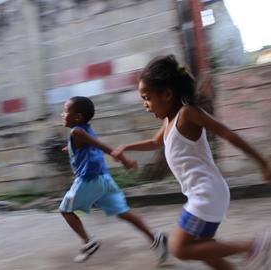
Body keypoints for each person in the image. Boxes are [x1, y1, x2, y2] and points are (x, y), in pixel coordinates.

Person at [112, 55, 271, 270]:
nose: (145, 105)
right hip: (204, 193)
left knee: (180, 248)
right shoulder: (170, 121)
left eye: (147, 97)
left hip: (206, 193)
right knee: (202, 249)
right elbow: (154, 142)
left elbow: (227, 133)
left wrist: (262, 162)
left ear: (167, 94)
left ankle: (254, 246)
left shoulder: (187, 114)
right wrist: (125, 148)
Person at [59, 96, 168, 263]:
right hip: (104, 179)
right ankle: (155, 237)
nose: (62, 114)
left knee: (66, 210)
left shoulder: (76, 132)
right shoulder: (84, 130)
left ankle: (88, 242)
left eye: (66, 111)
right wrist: (71, 148)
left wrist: (124, 159)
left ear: (78, 117)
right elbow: (89, 145)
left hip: (89, 180)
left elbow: (101, 146)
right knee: (123, 212)